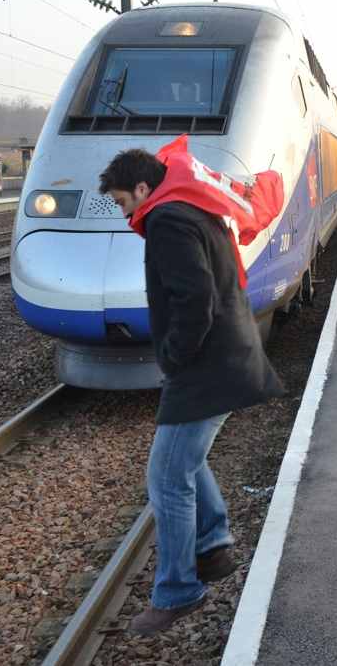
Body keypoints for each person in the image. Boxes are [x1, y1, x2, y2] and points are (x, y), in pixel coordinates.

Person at [99, 141, 285, 637]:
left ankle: (178, 590)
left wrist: (173, 357)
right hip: (225, 358)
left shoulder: (166, 220)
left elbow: (194, 297)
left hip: (207, 366)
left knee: (165, 476)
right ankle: (213, 545)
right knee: (186, 462)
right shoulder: (190, 208)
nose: (123, 214)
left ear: (142, 188)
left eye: (121, 202)